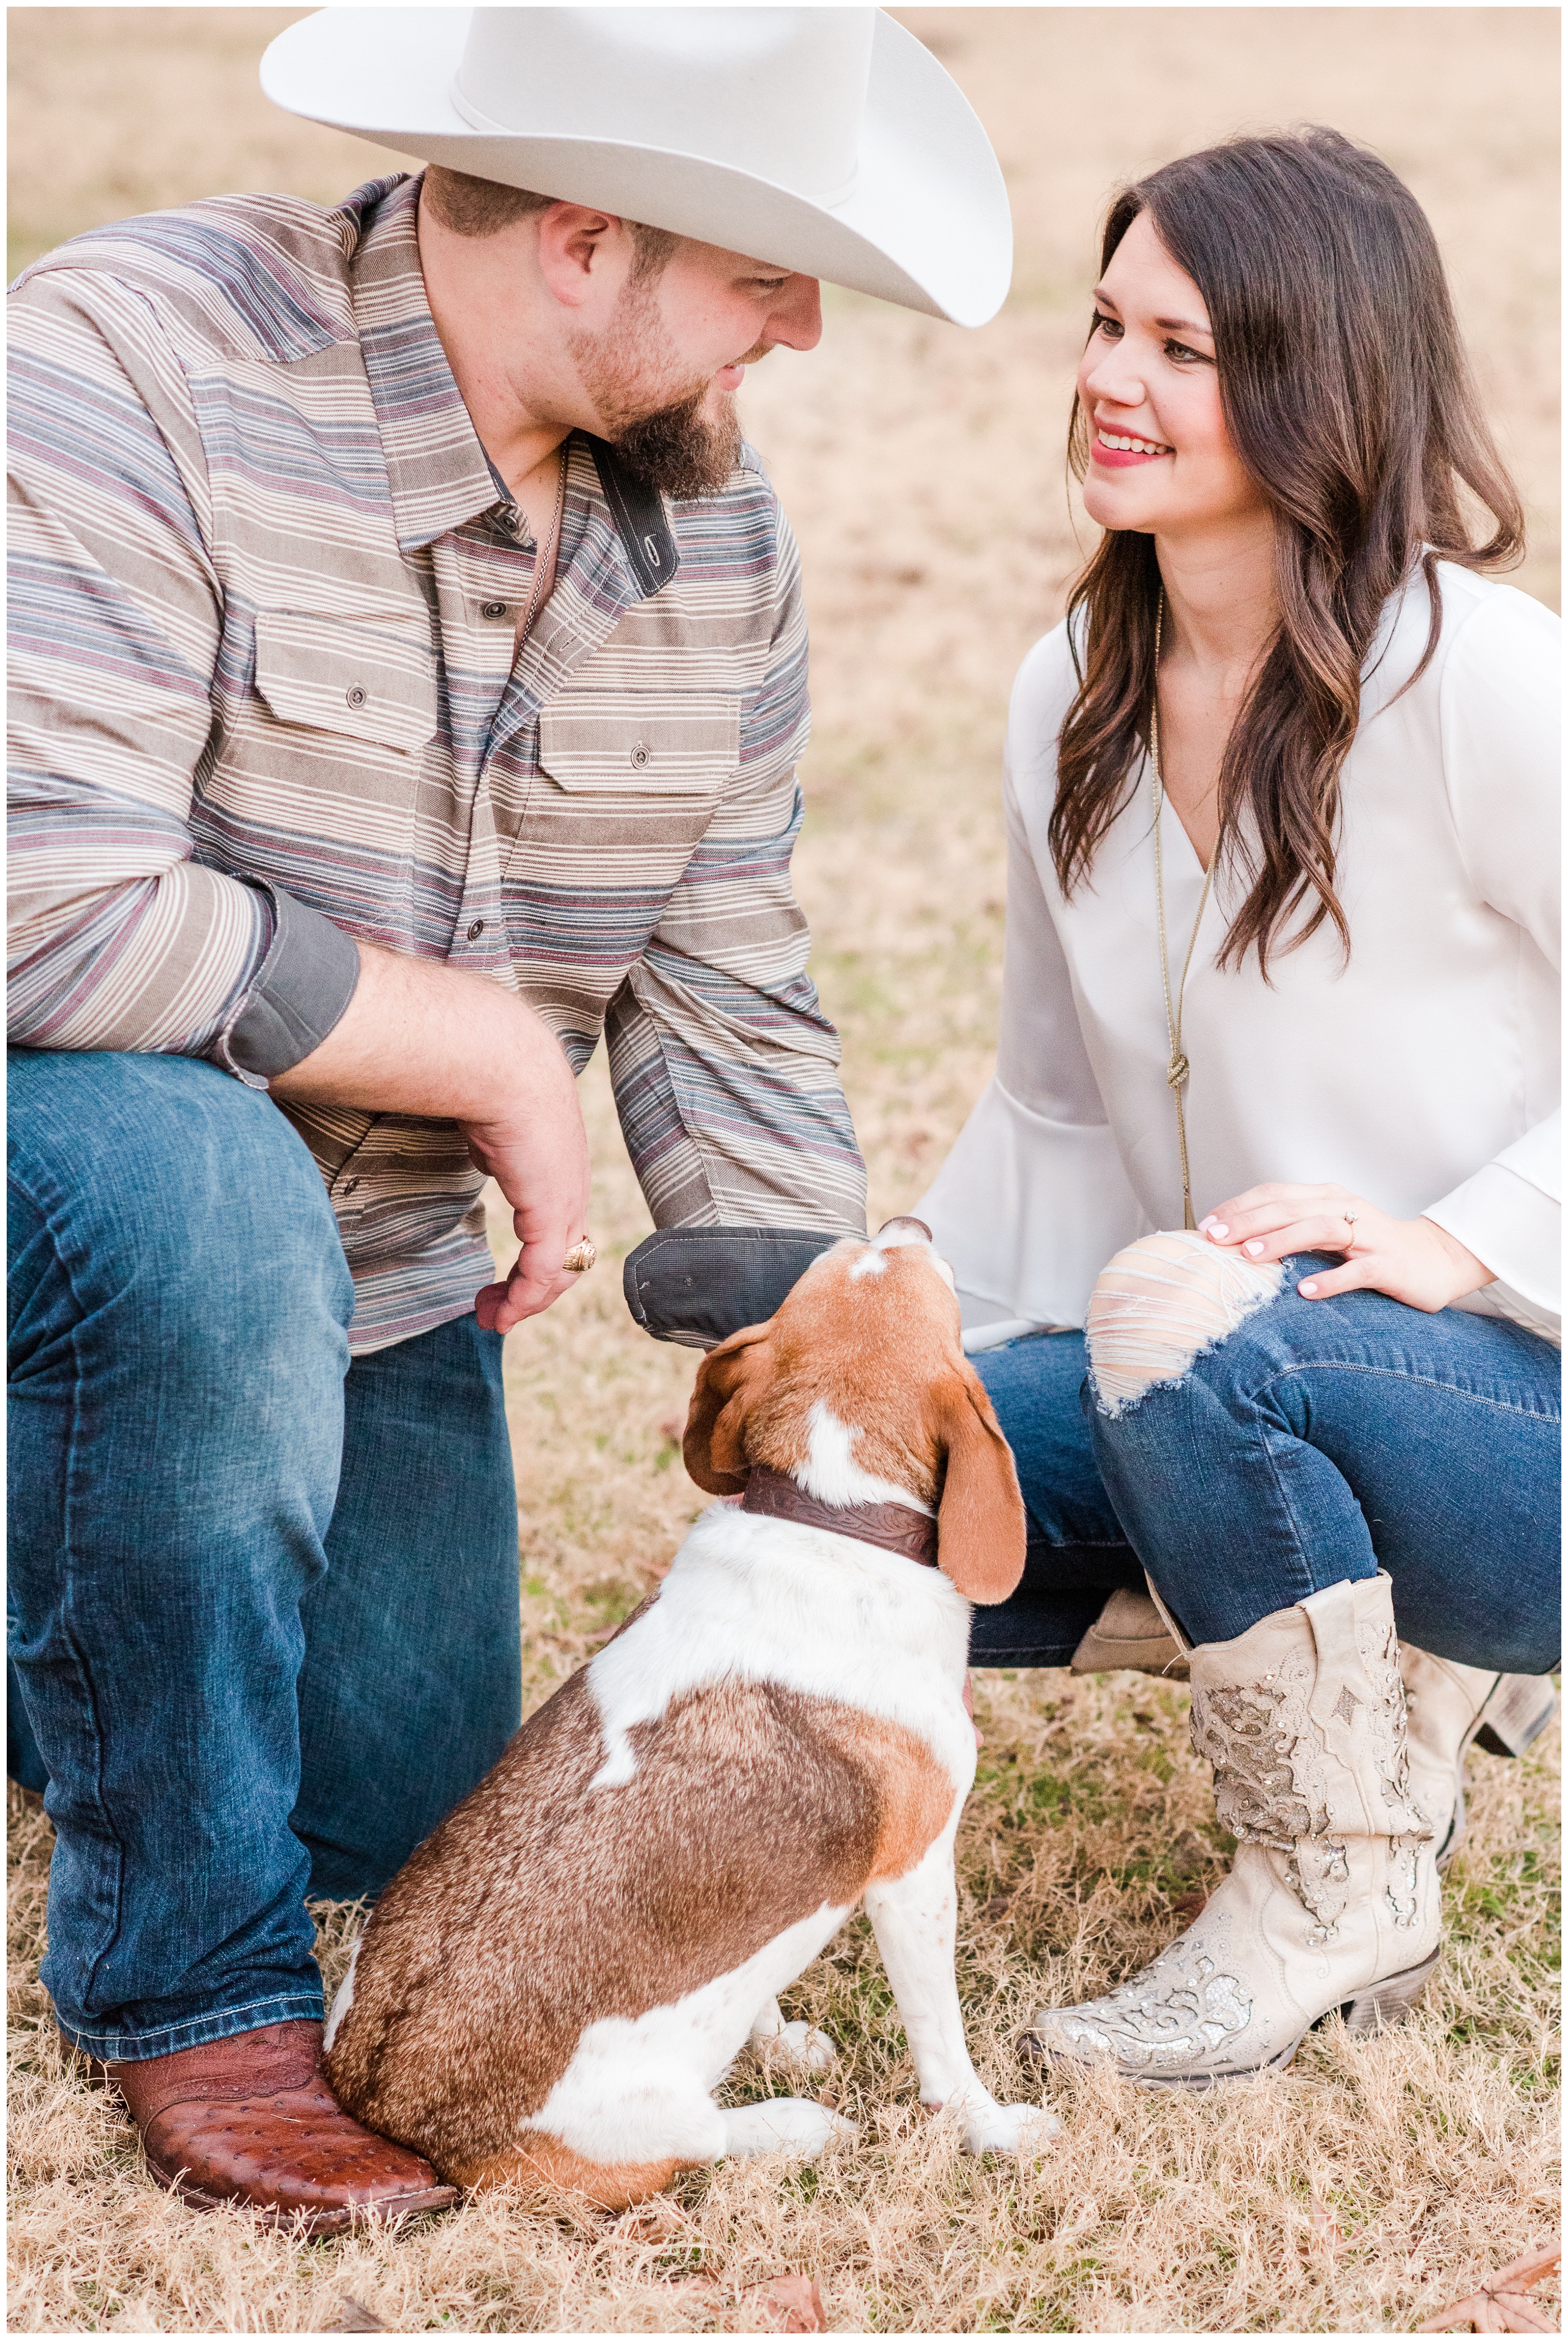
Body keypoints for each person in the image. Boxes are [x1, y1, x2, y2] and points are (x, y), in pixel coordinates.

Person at [6, 7, 1010, 2226]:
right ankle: (186, 1992)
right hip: (91, 1186)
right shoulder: (125, 365)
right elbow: (31, 900)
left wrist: (828, 1384)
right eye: (762, 278)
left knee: (390, 1791)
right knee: (195, 1197)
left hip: (370, 1294)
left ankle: (81, 1583)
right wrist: (465, 1047)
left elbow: (720, 959)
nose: (802, 330)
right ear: (579, 246)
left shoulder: (715, 538)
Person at [918, 127, 1560, 2086]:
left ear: (1315, 373)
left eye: (1181, 348)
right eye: (1106, 326)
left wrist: (1461, 1242)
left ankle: (1337, 1872)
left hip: (1510, 1414)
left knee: (1183, 1325)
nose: (1108, 380)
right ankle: (1348, 1667)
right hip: (1210, 1367)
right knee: (868, 1497)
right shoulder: (1069, 692)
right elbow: (1045, 1108)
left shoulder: (1475, 678)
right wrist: (906, 1339)